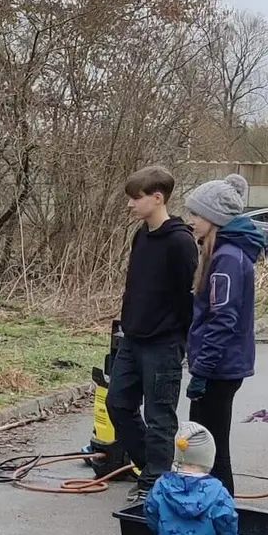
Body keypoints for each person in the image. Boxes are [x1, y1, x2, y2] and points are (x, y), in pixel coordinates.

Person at [106, 165, 199, 502]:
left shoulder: (180, 242)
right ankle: (150, 468)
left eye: (136, 198)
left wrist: (180, 340)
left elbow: (186, 296)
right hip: (133, 339)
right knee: (117, 403)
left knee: (159, 415)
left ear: (157, 198)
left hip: (164, 343)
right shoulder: (141, 234)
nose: (130, 204)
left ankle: (155, 483)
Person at [183, 173, 264, 497]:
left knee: (211, 447)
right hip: (217, 365)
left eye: (196, 214)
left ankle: (220, 515)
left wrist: (201, 370)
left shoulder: (227, 259)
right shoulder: (220, 253)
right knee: (206, 444)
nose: (190, 221)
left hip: (219, 369)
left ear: (214, 218)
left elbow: (223, 318)